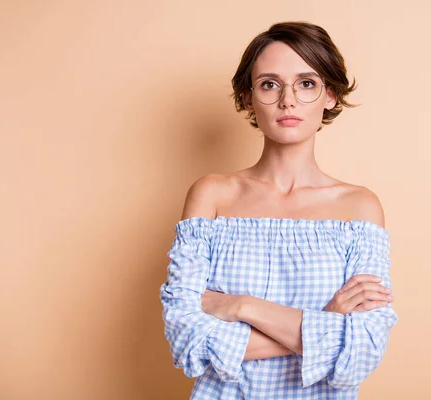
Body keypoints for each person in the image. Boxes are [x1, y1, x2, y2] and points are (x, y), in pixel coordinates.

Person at [159, 21, 398, 399]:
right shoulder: (212, 195)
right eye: (270, 84)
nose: (288, 100)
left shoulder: (358, 208)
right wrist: (326, 324)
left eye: (306, 84)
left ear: (330, 95)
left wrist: (241, 306)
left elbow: (361, 351)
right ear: (248, 97)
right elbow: (188, 343)